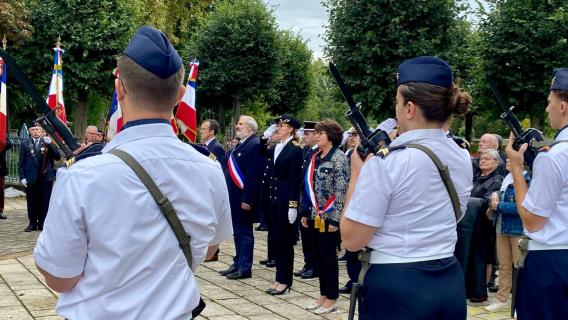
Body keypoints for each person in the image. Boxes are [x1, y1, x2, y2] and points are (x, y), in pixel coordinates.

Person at [33, 26, 232, 319]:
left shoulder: (82, 177)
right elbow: (213, 249)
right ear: (179, 94)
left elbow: (59, 278)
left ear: (119, 89)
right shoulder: (210, 170)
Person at [341, 56, 473, 319]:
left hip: (398, 284)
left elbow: (352, 239)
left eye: (397, 104)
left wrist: (357, 173)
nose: (396, 111)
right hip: (449, 277)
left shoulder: (388, 162)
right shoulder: (460, 155)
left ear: (410, 108)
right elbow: (455, 214)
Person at [505, 68, 568, 320]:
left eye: (549, 102)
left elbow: (532, 220)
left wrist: (518, 169)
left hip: (552, 262)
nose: (546, 109)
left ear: (562, 106)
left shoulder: (554, 156)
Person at [302, 119, 349, 314]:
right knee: (318, 257)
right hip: (315, 214)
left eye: (321, 133)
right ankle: (322, 295)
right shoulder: (316, 156)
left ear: (330, 135)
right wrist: (306, 212)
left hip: (329, 217)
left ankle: (332, 298)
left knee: (328, 258)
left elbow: (341, 190)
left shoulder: (338, 158)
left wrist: (335, 219)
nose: (317, 135)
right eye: (317, 132)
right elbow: (310, 186)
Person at [263, 115, 303, 295]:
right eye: (278, 125)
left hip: (285, 202)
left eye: (283, 125)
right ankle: (278, 278)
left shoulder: (295, 150)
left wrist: (293, 206)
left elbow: (294, 180)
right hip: (273, 200)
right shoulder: (275, 148)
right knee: (277, 242)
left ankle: (285, 281)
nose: (278, 128)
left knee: (285, 243)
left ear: (291, 129)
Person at [221, 115, 263, 280]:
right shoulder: (241, 144)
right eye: (238, 123)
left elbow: (254, 176)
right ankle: (237, 262)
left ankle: (245, 268)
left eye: (241, 124)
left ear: (250, 128)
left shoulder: (255, 145)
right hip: (234, 197)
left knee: (244, 233)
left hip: (244, 199)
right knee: (237, 232)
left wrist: (247, 199)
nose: (237, 126)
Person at [484, 159, 526, 312]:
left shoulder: (527, 179)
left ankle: (520, 302)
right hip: (501, 228)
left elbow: (524, 207)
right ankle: (502, 299)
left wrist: (499, 205)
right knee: (504, 266)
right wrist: (494, 197)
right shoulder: (506, 178)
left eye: (511, 158)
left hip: (518, 230)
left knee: (519, 267)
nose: (507, 160)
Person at [19, 123, 61, 231]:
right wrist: (22, 176)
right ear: (30, 131)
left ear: (41, 131)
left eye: (38, 129)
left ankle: (43, 223)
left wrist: (51, 144)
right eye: (33, 130)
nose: (36, 132)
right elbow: (21, 162)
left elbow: (57, 156)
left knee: (44, 201)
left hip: (45, 177)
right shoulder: (25, 144)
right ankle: (32, 223)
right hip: (31, 177)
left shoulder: (47, 142)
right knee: (32, 201)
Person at [294, 120, 319, 279]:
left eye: (308, 134)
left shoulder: (317, 153)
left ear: (317, 136)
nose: (305, 136)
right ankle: (308, 263)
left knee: (312, 236)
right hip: (303, 198)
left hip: (313, 201)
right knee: (305, 235)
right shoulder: (306, 151)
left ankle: (314, 266)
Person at [0, 137, 13, 219]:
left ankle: (0, 210)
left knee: (0, 190)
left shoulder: (1, 132)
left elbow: (9, 144)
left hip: (0, 167)